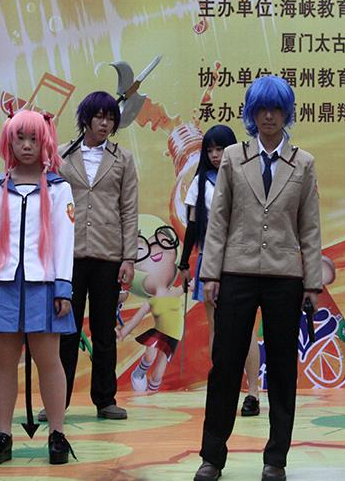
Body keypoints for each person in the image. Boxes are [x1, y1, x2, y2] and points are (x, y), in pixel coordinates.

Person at [194, 75, 322, 481]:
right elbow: (218, 219)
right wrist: (210, 274)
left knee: (283, 369)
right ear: (251, 113)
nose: (269, 116)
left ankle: (275, 459)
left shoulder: (303, 162)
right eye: (261, 108)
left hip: (285, 278)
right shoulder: (234, 157)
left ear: (287, 113)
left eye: (277, 108)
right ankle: (212, 457)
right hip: (236, 272)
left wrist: (312, 283)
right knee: (225, 365)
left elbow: (310, 227)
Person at [0, 110, 76, 465]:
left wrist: (63, 287)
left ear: (45, 142)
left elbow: (64, 242)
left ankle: (57, 434)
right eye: (20, 138)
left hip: (45, 287)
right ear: (8, 142)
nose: (27, 145)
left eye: (34, 139)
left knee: (50, 361)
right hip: (2, 285)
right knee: (3, 363)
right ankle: (3, 435)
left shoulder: (59, 188)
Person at [56, 91, 139, 420]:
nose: (105, 124)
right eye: (99, 117)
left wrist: (129, 258)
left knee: (104, 331)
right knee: (66, 331)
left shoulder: (123, 158)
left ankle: (105, 399)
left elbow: (129, 209)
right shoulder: (62, 154)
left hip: (108, 255)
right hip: (69, 255)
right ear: (86, 119)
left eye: (111, 119)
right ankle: (57, 400)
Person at [178, 125, 262, 415]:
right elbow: (192, 226)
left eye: (220, 148)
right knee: (217, 327)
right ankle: (223, 389)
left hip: (243, 260)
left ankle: (253, 392)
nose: (215, 155)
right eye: (210, 150)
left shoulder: (247, 176)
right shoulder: (199, 182)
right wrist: (183, 263)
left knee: (246, 328)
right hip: (210, 261)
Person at [119, 225, 184, 393]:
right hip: (159, 332)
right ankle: (139, 374)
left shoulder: (175, 292)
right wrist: (123, 332)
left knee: (158, 373)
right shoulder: (151, 301)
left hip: (174, 335)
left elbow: (189, 283)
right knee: (149, 356)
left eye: (163, 244)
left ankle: (152, 394)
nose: (156, 249)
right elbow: (137, 318)